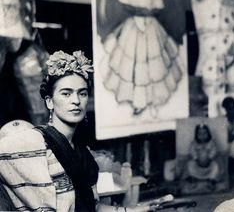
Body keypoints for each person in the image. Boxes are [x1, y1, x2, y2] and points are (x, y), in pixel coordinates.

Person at [0, 50, 153, 212]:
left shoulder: (82, 153)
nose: (76, 101)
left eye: (82, 93)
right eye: (66, 93)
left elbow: (91, 207)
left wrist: (131, 211)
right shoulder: (34, 141)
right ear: (50, 102)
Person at [100, 0, 182, 117]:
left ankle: (152, 100)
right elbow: (124, 3)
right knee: (134, 64)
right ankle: (137, 102)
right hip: (134, 25)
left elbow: (158, 7)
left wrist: (150, 12)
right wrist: (140, 11)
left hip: (151, 26)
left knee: (153, 66)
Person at [222, 96, 234, 173]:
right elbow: (226, 139)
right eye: (230, 108)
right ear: (226, 109)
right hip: (231, 154)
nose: (233, 110)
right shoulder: (223, 121)